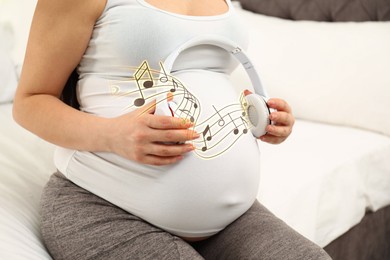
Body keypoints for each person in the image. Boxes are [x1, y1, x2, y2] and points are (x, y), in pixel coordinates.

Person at [13, 0, 331, 259]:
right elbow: (30, 101)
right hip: (104, 204)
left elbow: (203, 74)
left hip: (231, 218)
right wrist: (112, 135)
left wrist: (262, 117)